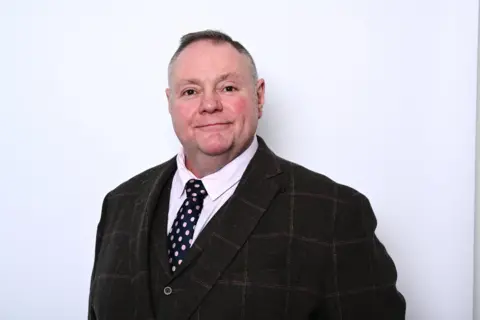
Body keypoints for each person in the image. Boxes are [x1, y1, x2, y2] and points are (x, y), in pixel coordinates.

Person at [88, 29, 406, 320]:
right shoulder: (120, 204)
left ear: (259, 96)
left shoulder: (333, 213)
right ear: (170, 102)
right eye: (190, 91)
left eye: (227, 87)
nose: (209, 104)